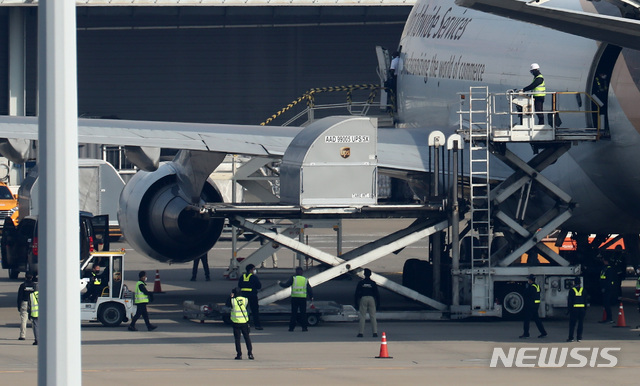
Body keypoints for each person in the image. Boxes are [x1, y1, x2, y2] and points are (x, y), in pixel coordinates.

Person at [279, 266, 313, 332]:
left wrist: (280, 283)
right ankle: (304, 328)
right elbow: (309, 289)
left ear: (296, 272)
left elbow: (286, 285)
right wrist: (311, 297)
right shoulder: (305, 279)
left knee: (294, 313)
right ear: (302, 272)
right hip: (303, 298)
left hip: (295, 298)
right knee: (303, 313)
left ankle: (291, 328)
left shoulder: (293, 278)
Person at [227, 287, 254, 360]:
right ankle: (250, 353)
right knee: (247, 338)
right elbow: (248, 309)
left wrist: (230, 297)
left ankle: (239, 354)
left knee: (237, 339)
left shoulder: (233, 301)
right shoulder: (245, 300)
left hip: (236, 322)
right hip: (244, 322)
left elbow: (227, 305)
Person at [519, 274, 547, 338]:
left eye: (529, 279)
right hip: (536, 305)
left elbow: (526, 294)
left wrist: (526, 288)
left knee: (527, 320)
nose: (528, 280)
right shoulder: (537, 286)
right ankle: (543, 332)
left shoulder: (531, 287)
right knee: (537, 320)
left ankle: (526, 334)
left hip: (531, 305)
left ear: (531, 280)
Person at [354, 268, 380, 338]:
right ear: (370, 274)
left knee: (362, 316)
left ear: (364, 274)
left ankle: (361, 333)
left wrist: (356, 303)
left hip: (363, 298)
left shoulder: (361, 283)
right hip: (371, 299)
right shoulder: (373, 283)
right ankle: (375, 332)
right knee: (373, 316)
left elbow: (357, 293)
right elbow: (377, 294)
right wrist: (378, 303)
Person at [238, 264, 263, 330]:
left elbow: (239, 285)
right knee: (255, 311)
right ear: (250, 270)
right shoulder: (254, 277)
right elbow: (259, 286)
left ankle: (244, 324)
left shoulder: (242, 276)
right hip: (252, 295)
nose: (254, 271)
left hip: (244, 295)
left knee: (244, 311)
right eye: (254, 269)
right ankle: (257, 325)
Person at [17, 273, 36, 341]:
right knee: (34, 321)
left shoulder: (23, 285)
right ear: (32, 277)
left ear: (25, 277)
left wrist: (19, 306)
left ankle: (22, 335)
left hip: (24, 303)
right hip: (33, 303)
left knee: (23, 320)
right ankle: (36, 336)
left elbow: (20, 297)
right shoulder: (34, 285)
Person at [567, 277, 587, 342]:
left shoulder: (572, 290)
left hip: (574, 309)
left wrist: (569, 310)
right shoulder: (583, 290)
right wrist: (585, 309)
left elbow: (570, 301)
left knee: (572, 324)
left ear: (574, 282)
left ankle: (571, 338)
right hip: (582, 309)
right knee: (580, 324)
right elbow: (585, 301)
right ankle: (579, 337)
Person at [598, 255, 616, 323]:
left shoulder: (609, 269)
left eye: (604, 260)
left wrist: (606, 288)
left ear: (606, 261)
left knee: (607, 303)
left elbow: (609, 280)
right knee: (605, 303)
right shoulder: (604, 268)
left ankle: (609, 318)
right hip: (604, 288)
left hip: (607, 289)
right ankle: (607, 318)